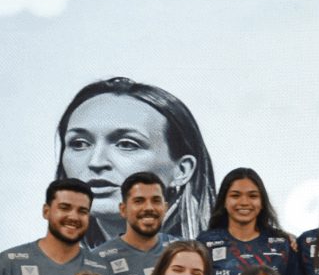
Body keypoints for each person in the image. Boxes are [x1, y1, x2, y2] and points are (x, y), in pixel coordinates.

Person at [54, 76, 215, 241]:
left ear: (181, 170)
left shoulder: (225, 263)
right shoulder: (43, 263)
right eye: (79, 144)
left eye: (127, 144)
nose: (96, 162)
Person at [197, 167, 301, 275]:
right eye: (235, 195)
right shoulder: (205, 243)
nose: (244, 202)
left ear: (262, 202)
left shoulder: (281, 244)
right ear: (224, 201)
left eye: (252, 196)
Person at [91, 172, 178, 275]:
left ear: (165, 208)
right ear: (123, 209)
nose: (149, 207)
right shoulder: (98, 260)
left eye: (156, 200)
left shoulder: (183, 251)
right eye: (139, 201)